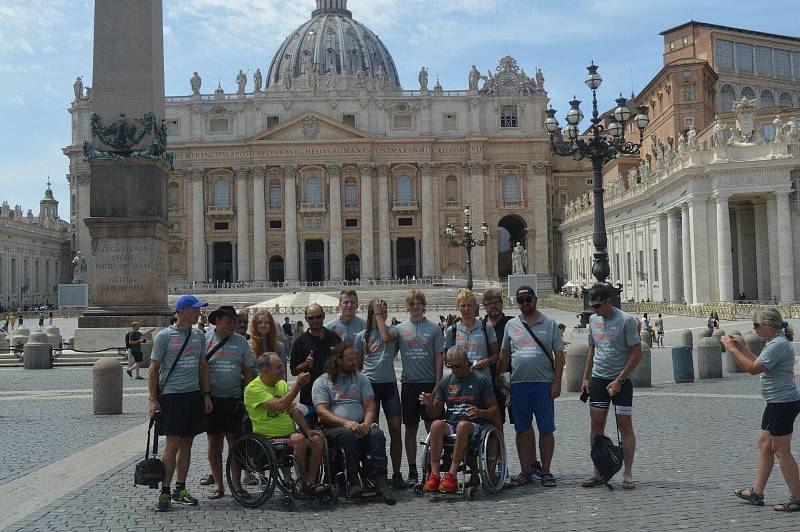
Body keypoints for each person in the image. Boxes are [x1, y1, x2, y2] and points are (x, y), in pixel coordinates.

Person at [723, 307, 800, 511]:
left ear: (767, 326)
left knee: (781, 450)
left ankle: (798, 497)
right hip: (775, 401)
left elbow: (753, 369)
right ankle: (757, 491)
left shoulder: (778, 345)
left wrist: (732, 350)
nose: (754, 328)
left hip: (782, 402)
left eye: (756, 325)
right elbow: (758, 361)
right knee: (765, 444)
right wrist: (742, 347)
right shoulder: (773, 342)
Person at [148, 295, 213, 512]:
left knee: (187, 443)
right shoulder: (164, 336)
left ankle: (180, 488)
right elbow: (153, 369)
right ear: (182, 311)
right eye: (195, 309)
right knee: (173, 444)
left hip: (193, 394)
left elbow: (203, 366)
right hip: (172, 396)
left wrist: (206, 394)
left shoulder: (198, 336)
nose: (198, 313)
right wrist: (152, 399)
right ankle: (165, 491)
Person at [312, 344, 396, 504]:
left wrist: (367, 423)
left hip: (359, 423)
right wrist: (346, 423)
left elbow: (370, 405)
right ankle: (353, 479)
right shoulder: (322, 382)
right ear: (338, 361)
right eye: (350, 360)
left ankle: (382, 480)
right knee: (347, 434)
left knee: (377, 434)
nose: (354, 363)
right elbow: (322, 412)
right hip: (334, 427)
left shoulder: (362, 379)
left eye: (355, 359)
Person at [498, 286, 564, 488]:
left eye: (528, 299)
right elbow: (504, 354)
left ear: (535, 299)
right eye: (521, 300)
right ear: (517, 303)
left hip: (543, 385)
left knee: (546, 429)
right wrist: (499, 378)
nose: (525, 303)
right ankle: (526, 470)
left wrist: (557, 383)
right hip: (518, 385)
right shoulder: (511, 325)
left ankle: (545, 471)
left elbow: (559, 356)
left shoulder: (550, 323)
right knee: (522, 429)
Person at [580, 284, 642, 490]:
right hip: (598, 378)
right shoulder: (592, 320)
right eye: (592, 306)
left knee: (624, 424)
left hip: (621, 379)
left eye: (597, 306)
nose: (594, 310)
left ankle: (628, 473)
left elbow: (636, 353)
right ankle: (598, 471)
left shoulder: (626, 321)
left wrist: (619, 380)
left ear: (608, 302)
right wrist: (586, 377)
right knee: (596, 425)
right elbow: (592, 349)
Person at [244, 353, 327, 496]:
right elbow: (280, 405)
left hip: (289, 435)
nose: (283, 370)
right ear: (265, 371)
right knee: (298, 439)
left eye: (282, 366)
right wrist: (298, 385)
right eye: (278, 367)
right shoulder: (253, 389)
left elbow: (292, 409)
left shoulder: (281, 384)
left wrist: (308, 431)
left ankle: (311, 483)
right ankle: (303, 483)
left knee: (317, 439)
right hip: (267, 439)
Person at [419, 346, 499, 493]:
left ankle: (451, 475)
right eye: (450, 366)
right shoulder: (445, 382)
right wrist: (429, 405)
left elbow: (494, 410)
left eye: (457, 366)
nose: (454, 369)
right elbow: (435, 413)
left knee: (463, 426)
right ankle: (434, 475)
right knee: (436, 425)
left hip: (475, 425)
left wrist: (480, 412)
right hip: (452, 424)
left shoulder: (481, 380)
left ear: (466, 362)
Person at [201, 305, 254, 500]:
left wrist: (247, 394)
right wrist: (205, 394)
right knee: (214, 443)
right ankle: (218, 484)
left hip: (234, 399)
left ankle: (237, 484)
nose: (233, 325)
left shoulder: (240, 342)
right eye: (229, 321)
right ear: (217, 321)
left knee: (235, 443)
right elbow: (201, 369)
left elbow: (248, 369)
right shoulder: (204, 340)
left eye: (235, 321)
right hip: (212, 399)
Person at [354, 298, 406, 488]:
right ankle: (373, 472)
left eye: (384, 311)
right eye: (378, 311)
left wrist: (379, 316)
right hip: (370, 387)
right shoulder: (361, 336)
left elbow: (385, 337)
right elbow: (358, 364)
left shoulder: (393, 330)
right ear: (371, 313)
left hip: (389, 385)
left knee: (395, 430)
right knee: (371, 432)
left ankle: (398, 472)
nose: (382, 314)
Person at [395, 289, 445, 486]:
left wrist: (438, 383)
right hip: (409, 384)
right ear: (408, 307)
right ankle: (413, 469)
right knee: (410, 427)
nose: (415, 307)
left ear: (424, 305)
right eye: (412, 304)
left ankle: (432, 468)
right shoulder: (399, 329)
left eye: (418, 303)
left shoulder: (434, 329)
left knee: (432, 426)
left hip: (429, 383)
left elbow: (439, 357)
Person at [289, 304, 341, 424]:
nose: (315, 320)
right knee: (310, 432)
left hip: (333, 393)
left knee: (334, 429)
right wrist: (305, 364)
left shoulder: (334, 337)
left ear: (324, 316)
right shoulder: (300, 342)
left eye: (318, 317)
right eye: (311, 318)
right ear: (306, 319)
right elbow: (293, 370)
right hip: (309, 394)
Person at [445, 289, 499, 387]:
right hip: (460, 381)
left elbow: (496, 355)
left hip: (483, 380)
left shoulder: (487, 327)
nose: (466, 309)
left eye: (469, 305)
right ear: (458, 307)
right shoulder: (451, 330)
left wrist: (486, 362)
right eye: (463, 305)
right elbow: (447, 359)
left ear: (475, 307)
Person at [482, 288, 514, 426]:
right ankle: (497, 448)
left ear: (502, 303)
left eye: (496, 302)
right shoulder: (480, 327)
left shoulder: (513, 324)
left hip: (511, 378)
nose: (493, 306)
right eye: (489, 303)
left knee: (521, 422)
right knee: (495, 421)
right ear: (484, 307)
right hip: (489, 381)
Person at [250, 309, 289, 378]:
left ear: (271, 325)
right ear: (254, 324)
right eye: (259, 322)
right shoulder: (248, 345)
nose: (263, 325)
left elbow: (283, 375)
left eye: (266, 322)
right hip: (254, 387)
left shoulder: (280, 347)